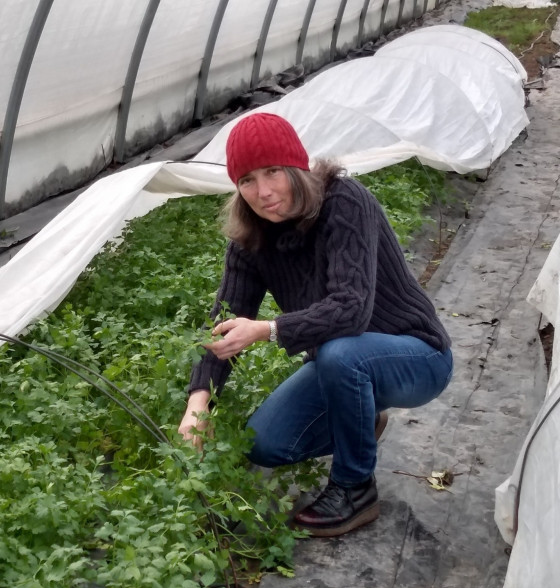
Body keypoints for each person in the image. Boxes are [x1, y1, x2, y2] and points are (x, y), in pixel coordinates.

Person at [177, 112, 453, 537]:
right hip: (342, 361)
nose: (263, 192)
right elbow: (224, 322)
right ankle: (360, 419)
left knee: (342, 353)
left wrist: (268, 329)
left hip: (416, 356)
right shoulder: (250, 241)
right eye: (247, 179)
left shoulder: (343, 201)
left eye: (272, 172)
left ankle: (355, 487)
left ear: (296, 168)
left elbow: (352, 309)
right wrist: (198, 404)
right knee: (266, 442)